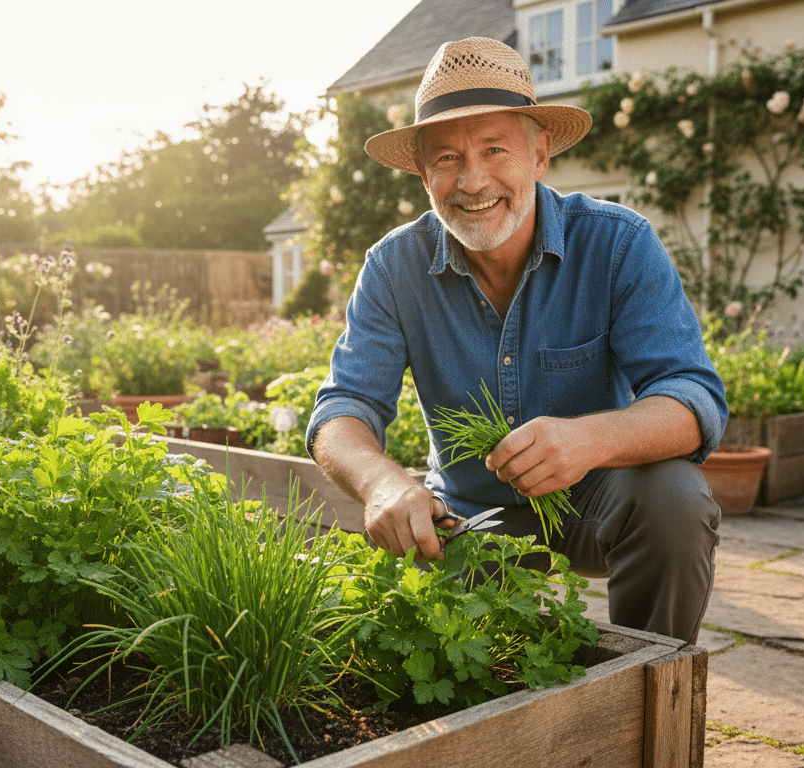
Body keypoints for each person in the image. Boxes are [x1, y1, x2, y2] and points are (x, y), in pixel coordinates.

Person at [304, 37, 728, 644]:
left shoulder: (617, 244)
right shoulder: (393, 267)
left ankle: (650, 684)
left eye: (494, 149)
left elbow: (693, 399)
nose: (472, 181)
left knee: (675, 500)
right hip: (465, 519)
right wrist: (383, 483)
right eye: (447, 158)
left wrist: (590, 437)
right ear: (424, 174)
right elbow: (343, 409)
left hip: (596, 499)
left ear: (539, 154)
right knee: (446, 667)